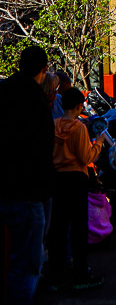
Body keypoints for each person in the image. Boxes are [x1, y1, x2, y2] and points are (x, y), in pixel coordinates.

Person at [0, 45, 53, 305]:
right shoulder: (35, 102)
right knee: (27, 266)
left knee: (14, 262)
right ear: (43, 70)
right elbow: (42, 153)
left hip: (5, 189)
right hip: (28, 193)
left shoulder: (4, 92)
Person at [47, 87, 105, 291]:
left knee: (57, 229)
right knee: (78, 229)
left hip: (57, 179)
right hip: (77, 179)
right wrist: (98, 144)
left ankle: (54, 276)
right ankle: (81, 275)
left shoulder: (53, 125)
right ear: (80, 106)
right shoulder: (79, 128)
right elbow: (85, 158)